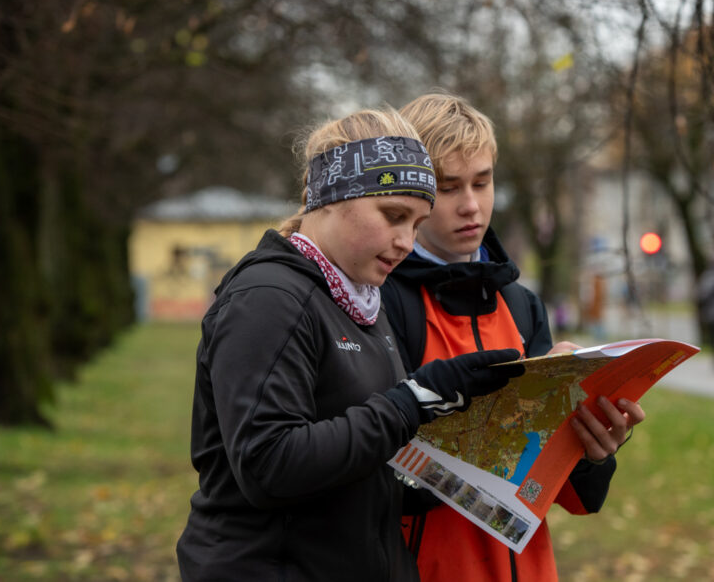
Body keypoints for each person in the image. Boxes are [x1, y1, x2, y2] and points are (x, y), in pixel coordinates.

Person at [175, 109, 525, 581]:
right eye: (394, 216)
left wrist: (470, 465)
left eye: (416, 223)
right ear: (330, 199)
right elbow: (268, 466)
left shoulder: (360, 301)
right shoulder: (268, 298)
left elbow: (358, 467)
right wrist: (413, 400)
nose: (406, 242)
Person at [381, 92, 645, 582]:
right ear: (414, 190)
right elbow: (367, 469)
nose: (471, 205)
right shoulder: (382, 300)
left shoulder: (521, 305)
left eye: (482, 182)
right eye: (449, 187)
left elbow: (573, 495)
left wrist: (593, 450)